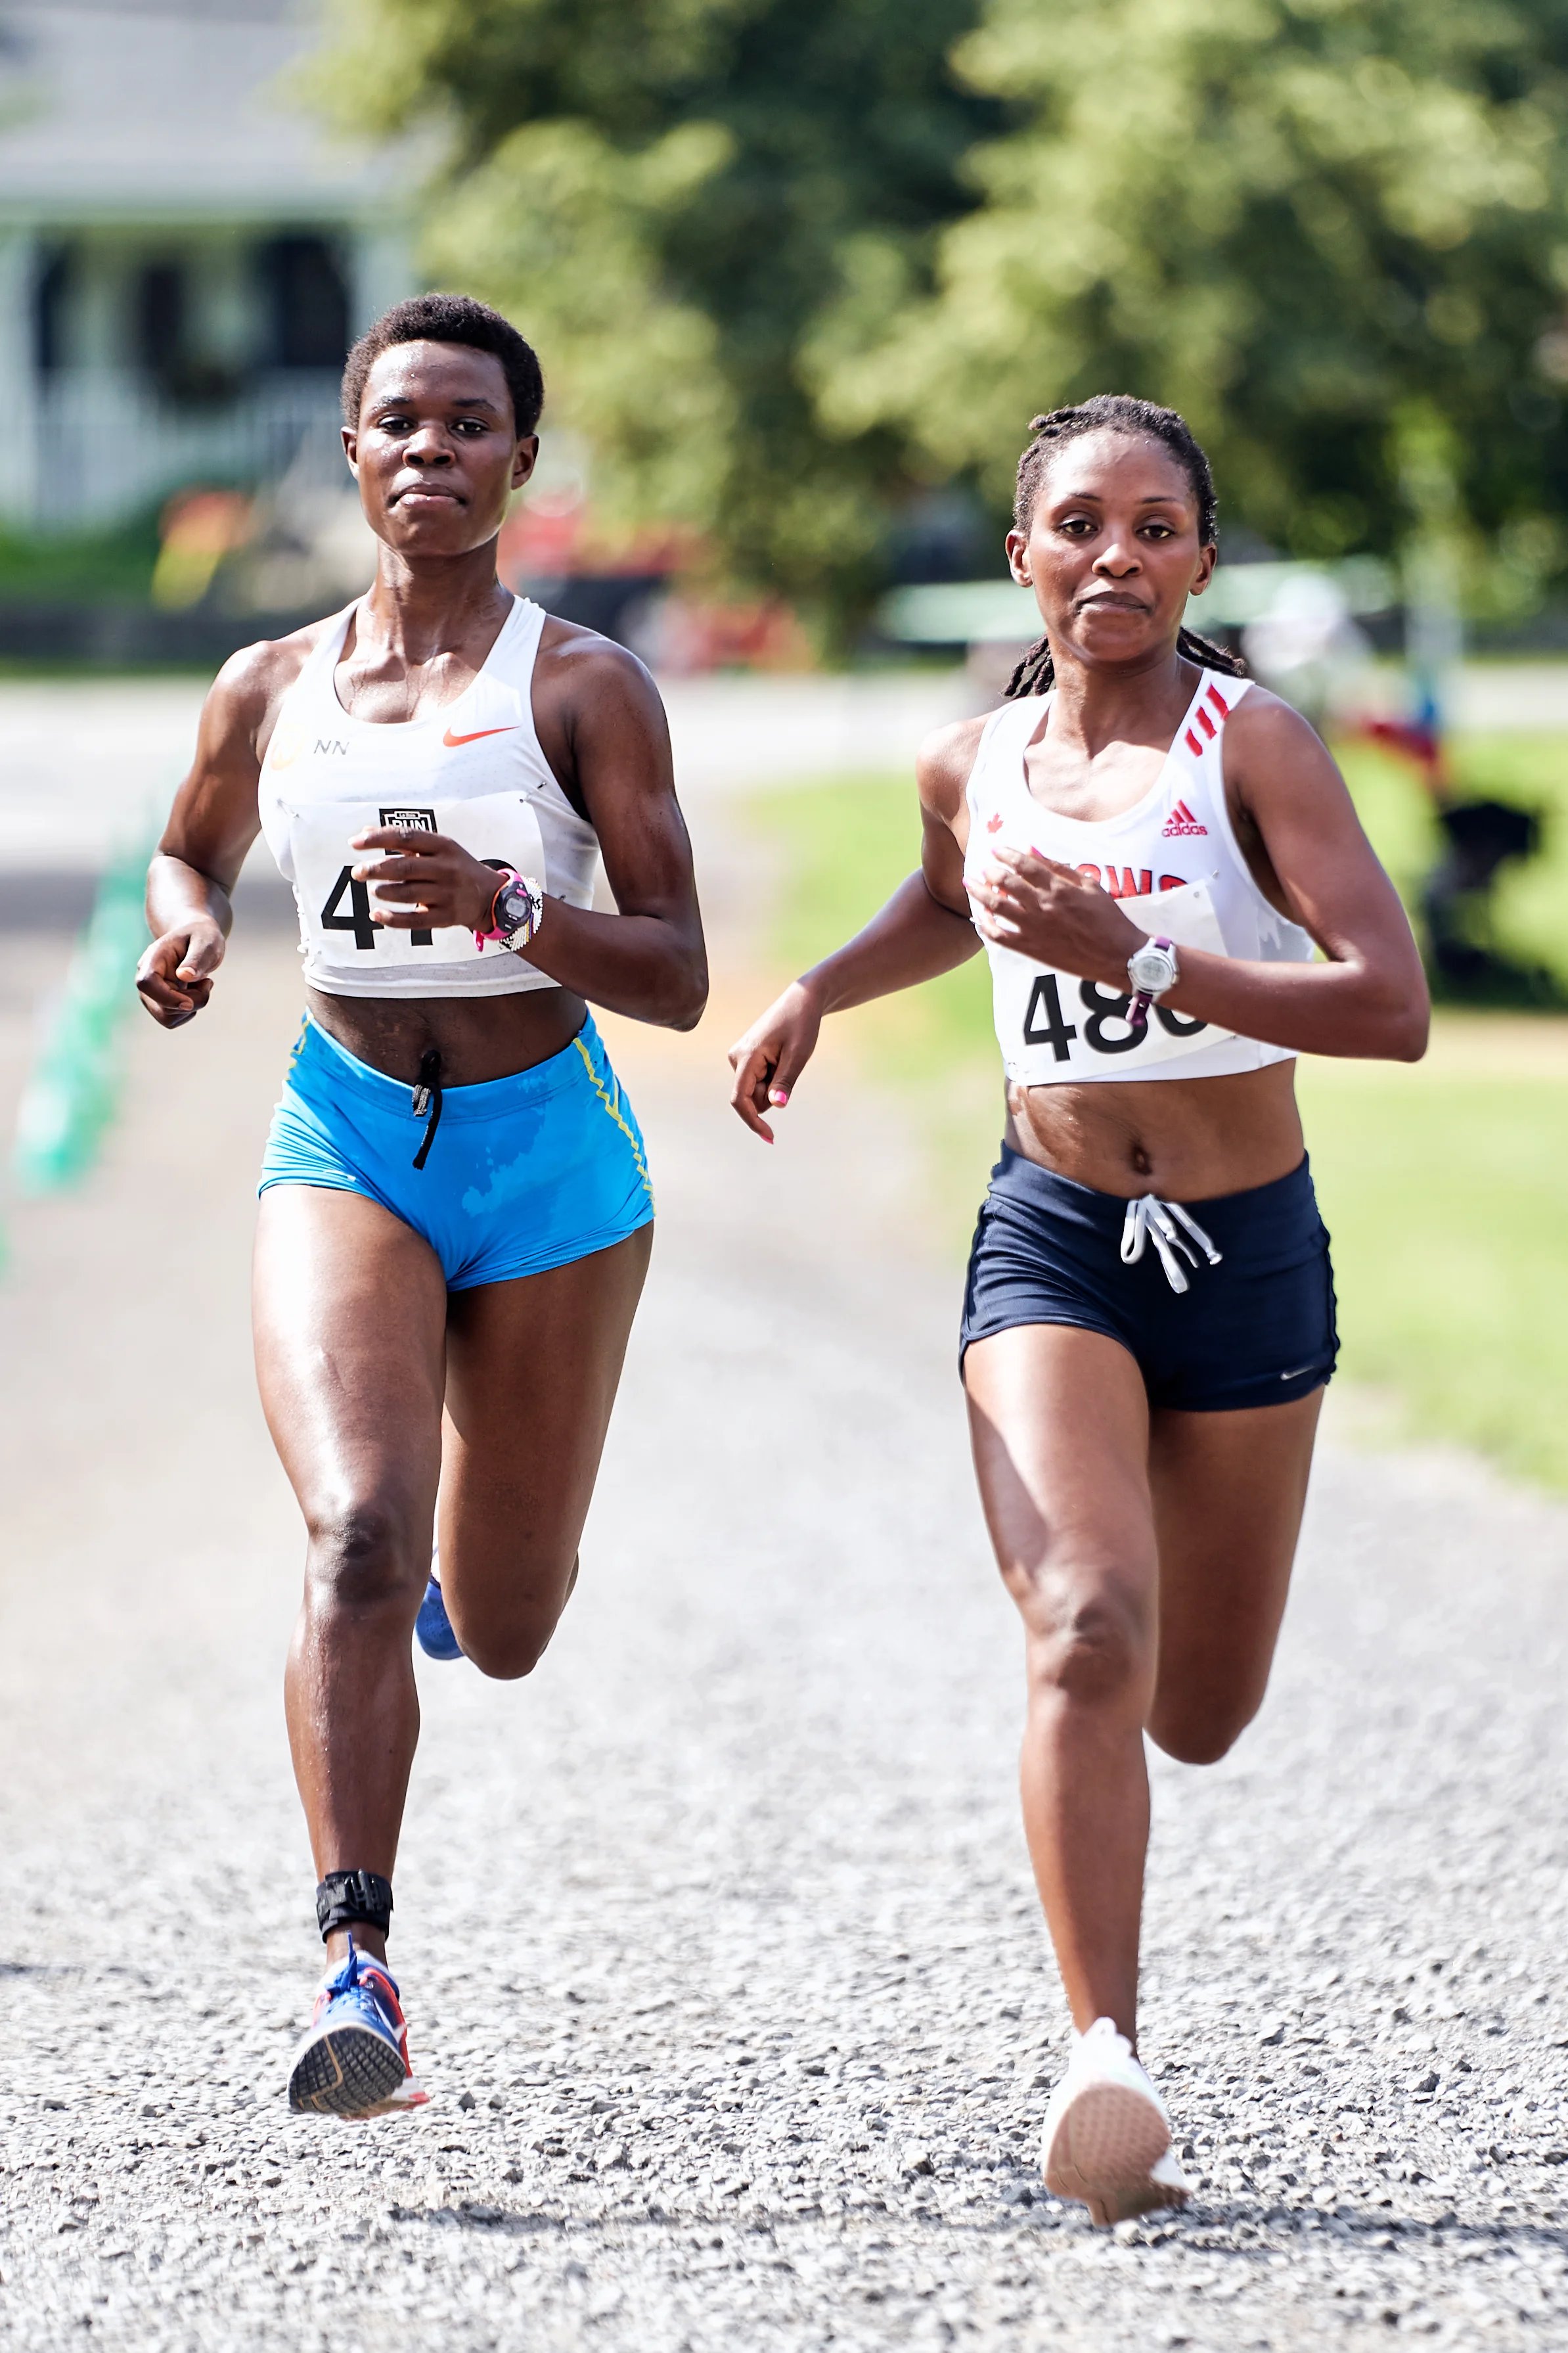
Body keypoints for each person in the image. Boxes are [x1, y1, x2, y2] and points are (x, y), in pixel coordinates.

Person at [728, 396, 1427, 2224]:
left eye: (1154, 527)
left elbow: (1388, 1000)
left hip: (1248, 1239)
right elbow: (957, 905)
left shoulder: (1251, 744)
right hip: (1052, 1232)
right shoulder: (972, 759)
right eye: (1078, 526)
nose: (1114, 556)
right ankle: (1100, 2050)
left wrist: (1142, 954)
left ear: (1201, 557)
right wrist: (818, 986)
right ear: (1023, 552)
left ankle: (1114, 1975)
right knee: (1085, 1624)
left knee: (1197, 1709)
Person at [137, 294, 707, 2118]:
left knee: (507, 1614)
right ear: (353, 453)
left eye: (473, 425)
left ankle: (469, 1571)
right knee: (357, 1537)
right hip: (350, 1137)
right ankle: (356, 1960)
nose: (433, 452)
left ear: (522, 464)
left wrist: (508, 902)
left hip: (551, 1158)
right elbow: (188, 842)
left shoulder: (581, 686)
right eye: (402, 423)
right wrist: (195, 922)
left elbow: (683, 972)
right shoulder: (268, 686)